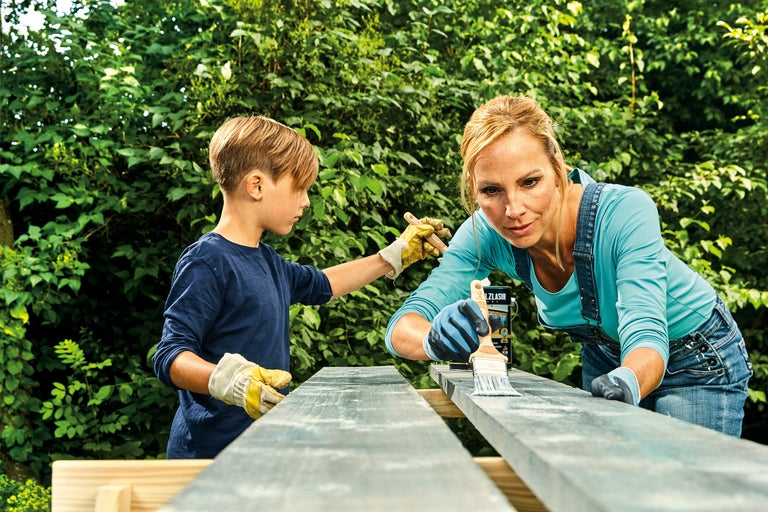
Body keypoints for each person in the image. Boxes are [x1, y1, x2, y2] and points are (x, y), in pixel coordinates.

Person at [385, 95, 753, 437]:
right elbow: (402, 327)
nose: (513, 210)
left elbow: (646, 335)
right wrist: (432, 339)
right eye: (491, 191)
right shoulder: (484, 234)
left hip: (694, 358)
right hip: (607, 358)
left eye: (530, 182)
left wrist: (626, 381)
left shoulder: (624, 212)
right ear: (473, 189)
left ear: (558, 168)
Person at [153, 115, 449, 458]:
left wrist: (393, 255)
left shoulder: (268, 261)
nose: (306, 201)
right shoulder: (207, 261)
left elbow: (324, 283)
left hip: (260, 451)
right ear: (257, 186)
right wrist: (228, 381)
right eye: (299, 188)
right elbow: (170, 356)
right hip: (207, 457)